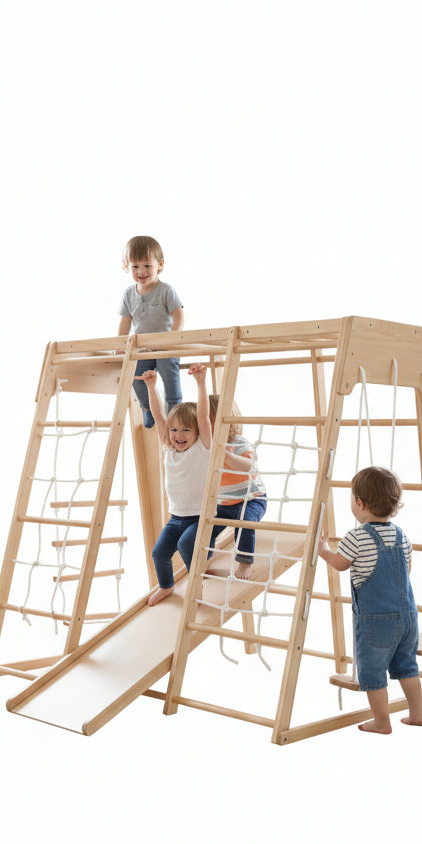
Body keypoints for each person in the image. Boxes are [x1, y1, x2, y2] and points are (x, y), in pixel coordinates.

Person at [316, 466, 422, 734]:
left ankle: (382, 721)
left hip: (376, 621)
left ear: (359, 503)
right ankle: (418, 712)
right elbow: (406, 571)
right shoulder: (401, 535)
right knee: (407, 666)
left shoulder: (357, 537)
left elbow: (341, 564)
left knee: (374, 673)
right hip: (408, 617)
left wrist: (324, 551)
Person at [141, 363, 213, 606]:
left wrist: (201, 382)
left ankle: (196, 586)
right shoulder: (168, 448)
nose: (178, 435)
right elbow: (159, 416)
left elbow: (203, 416)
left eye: (185, 430)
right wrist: (151, 386)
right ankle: (167, 586)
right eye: (174, 430)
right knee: (159, 553)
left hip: (200, 516)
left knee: (186, 545)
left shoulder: (203, 448)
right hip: (176, 516)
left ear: (196, 433)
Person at [117, 236, 184, 428]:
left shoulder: (166, 291)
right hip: (143, 348)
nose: (141, 271)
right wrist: (121, 345)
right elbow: (125, 323)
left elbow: (179, 315)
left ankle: (174, 414)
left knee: (170, 380)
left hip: (165, 347)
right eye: (135, 267)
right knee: (137, 379)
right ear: (127, 267)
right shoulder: (128, 294)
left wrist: (172, 339)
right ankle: (148, 409)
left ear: (160, 265)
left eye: (147, 265)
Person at [206, 395, 267, 580]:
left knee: (244, 522)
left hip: (251, 499)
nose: (208, 428)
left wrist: (227, 456)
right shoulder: (206, 447)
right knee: (205, 529)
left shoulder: (239, 443)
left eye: (212, 422)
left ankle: (245, 562)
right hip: (224, 504)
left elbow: (250, 466)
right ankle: (204, 560)